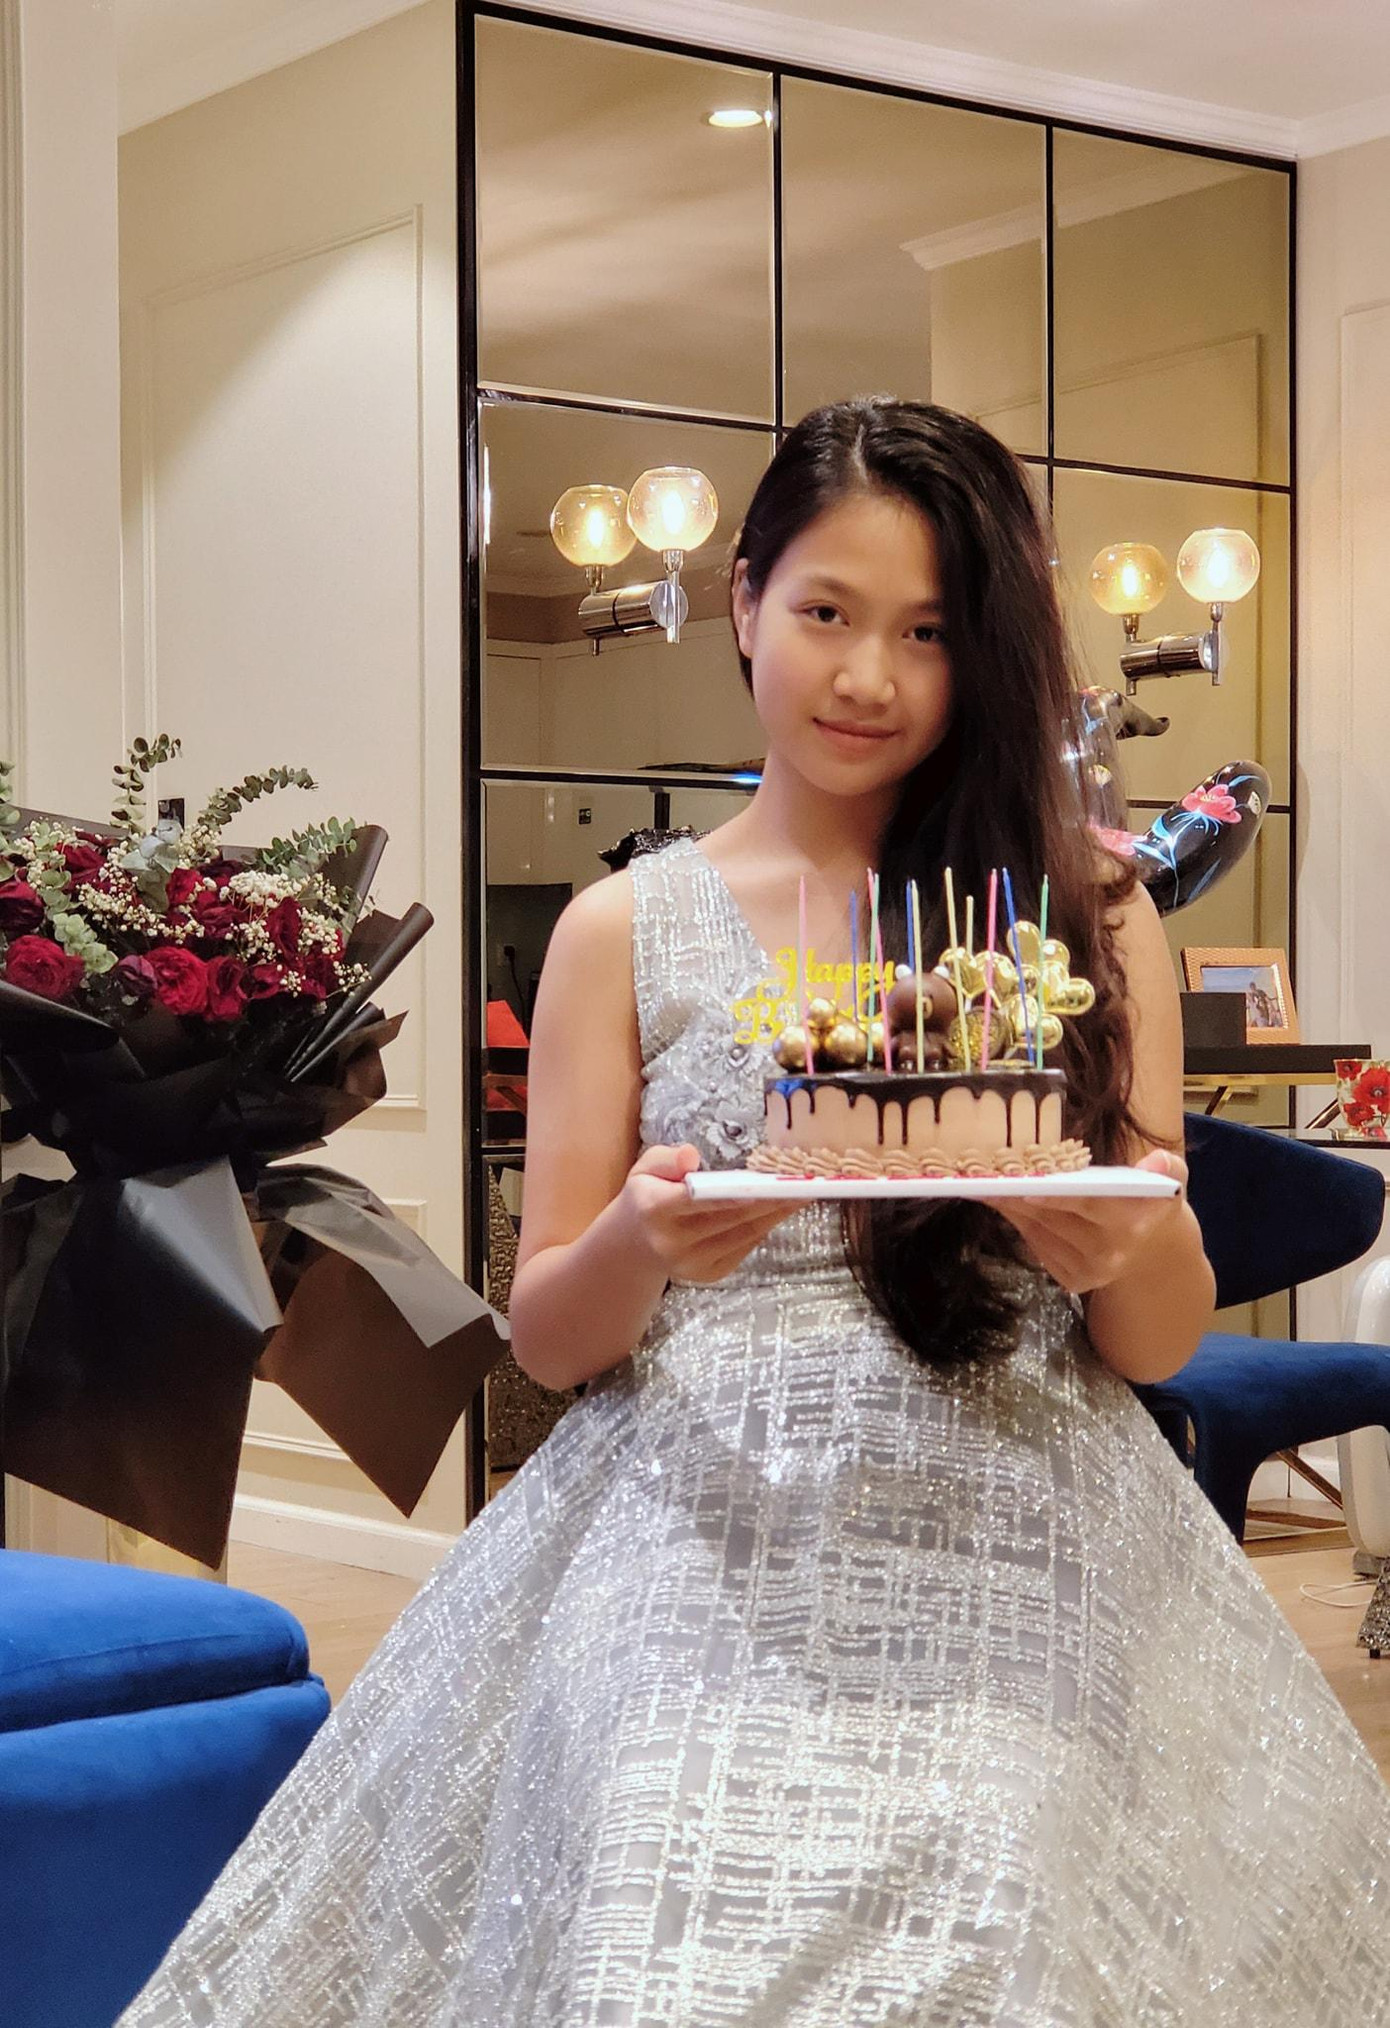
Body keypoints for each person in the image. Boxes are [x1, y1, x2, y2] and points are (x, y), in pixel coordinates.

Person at [120, 401, 1390, 2026]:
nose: (868, 677)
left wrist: (1128, 1246)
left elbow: (1152, 1347)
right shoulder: (621, 930)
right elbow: (554, 1344)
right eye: (826, 612)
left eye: (927, 632)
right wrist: (641, 1243)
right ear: (743, 602)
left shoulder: (1082, 912)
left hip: (1017, 1504)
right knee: (657, 1891)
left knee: (996, 1894)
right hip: (692, 1514)